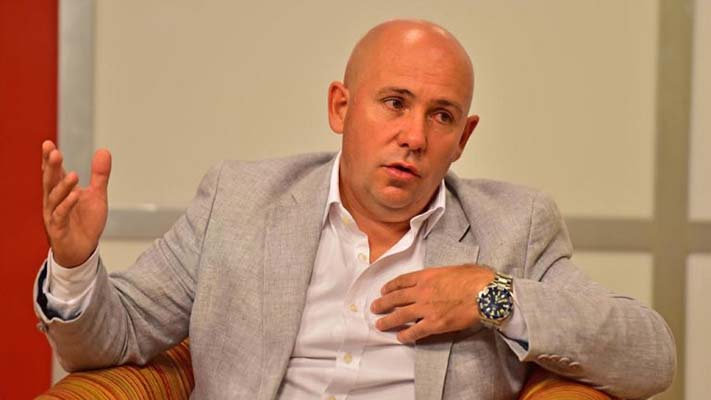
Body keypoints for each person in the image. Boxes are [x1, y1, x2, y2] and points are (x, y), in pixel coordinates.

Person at [34, 19, 675, 399]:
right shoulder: (240, 201)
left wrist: (491, 297)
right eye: (394, 103)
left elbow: (650, 355)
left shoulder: (515, 225)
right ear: (341, 107)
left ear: (463, 138)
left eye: (441, 116)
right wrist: (75, 264)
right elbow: (113, 339)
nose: (415, 136)